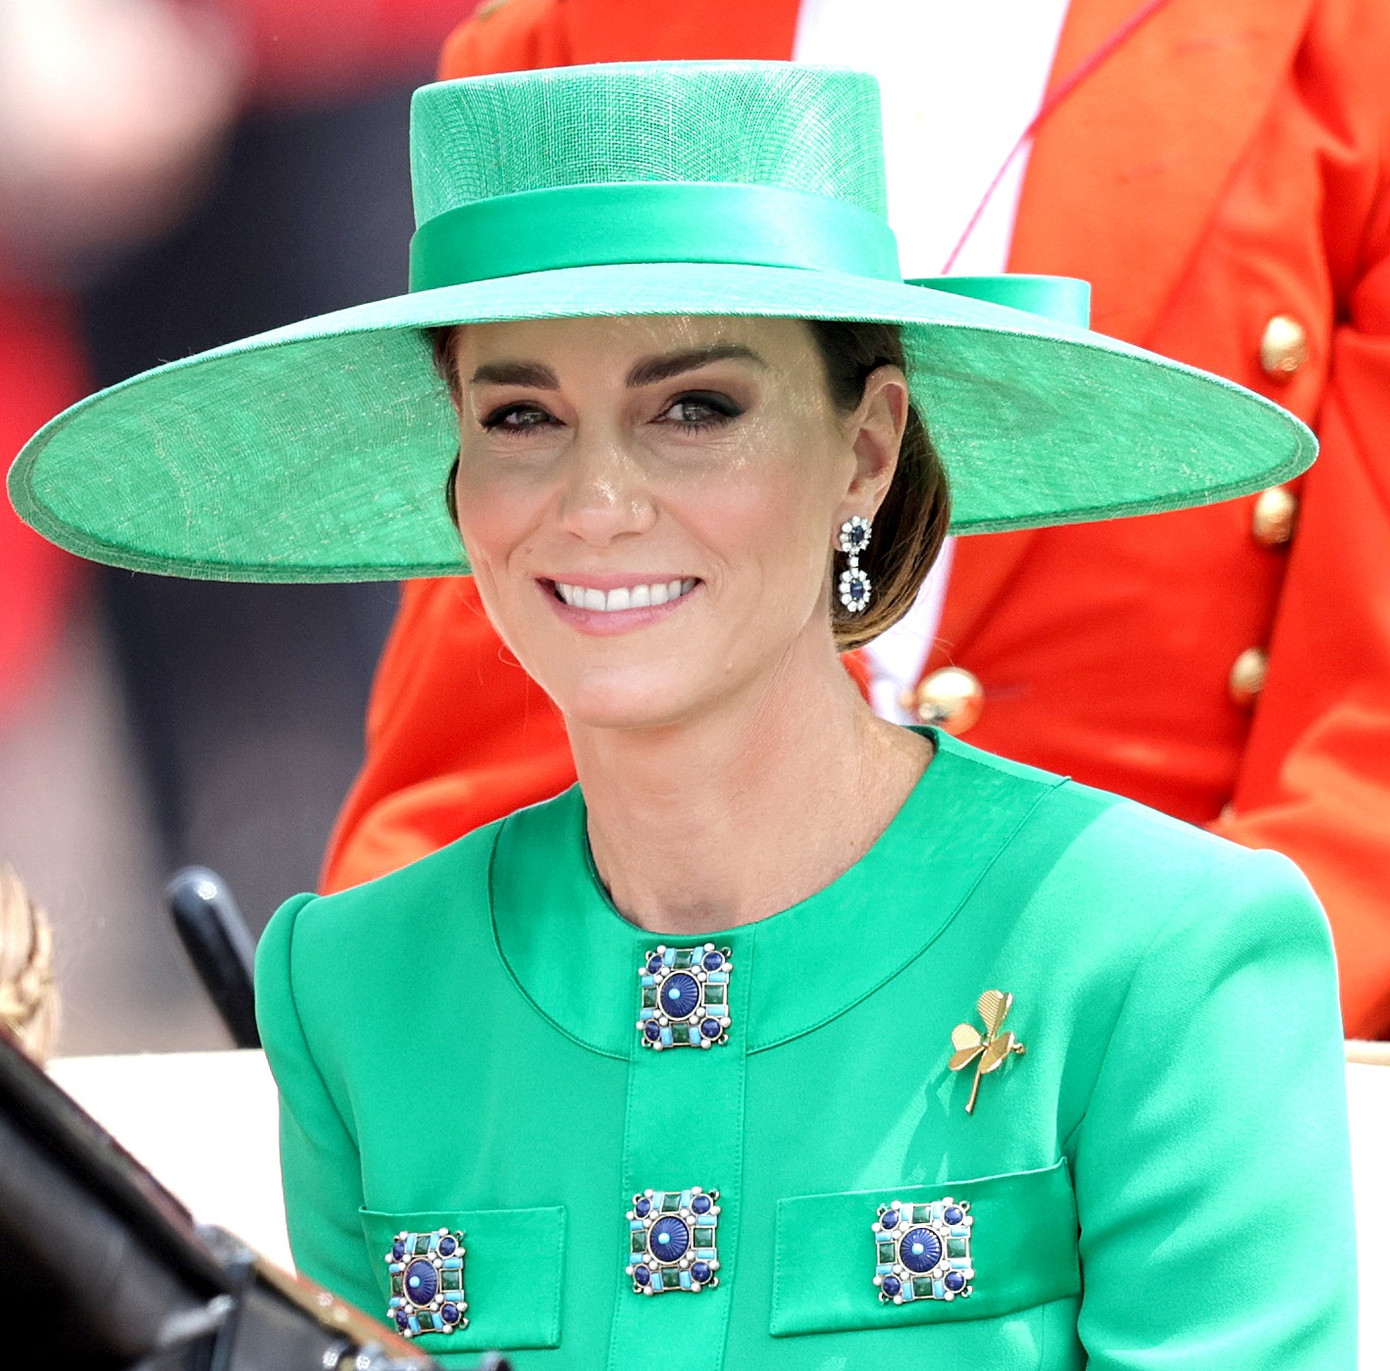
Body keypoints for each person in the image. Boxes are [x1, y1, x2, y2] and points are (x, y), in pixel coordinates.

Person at [10, 59, 1354, 1367]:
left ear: (867, 448)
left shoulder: (1168, 957)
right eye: (522, 413)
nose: (595, 503)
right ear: (459, 477)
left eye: (694, 407)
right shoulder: (354, 987)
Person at [318, 0, 1390, 1043]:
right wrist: (399, 1036)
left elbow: (1364, 762)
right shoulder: (561, 38)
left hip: (1174, 1033)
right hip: (657, 1041)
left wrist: (1178, 1030)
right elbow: (481, 732)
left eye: (697, 406)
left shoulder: (1349, 46)